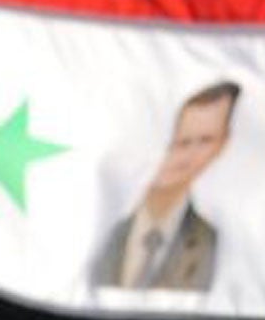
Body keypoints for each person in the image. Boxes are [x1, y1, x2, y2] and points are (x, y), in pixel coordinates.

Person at [92, 79, 239, 292]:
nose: (183, 157)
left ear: (221, 147)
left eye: (204, 141)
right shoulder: (103, 233)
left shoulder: (216, 245)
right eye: (178, 142)